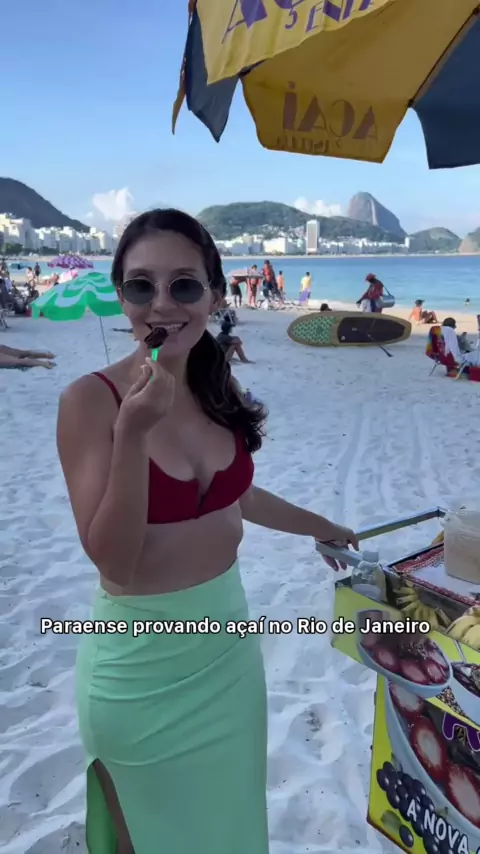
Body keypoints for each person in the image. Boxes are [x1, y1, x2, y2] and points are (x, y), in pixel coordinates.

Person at [56, 208, 358, 854]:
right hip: (138, 669)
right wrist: (133, 435)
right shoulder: (91, 401)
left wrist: (322, 526)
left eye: (185, 285)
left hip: (227, 657)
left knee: (226, 830)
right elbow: (115, 563)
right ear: (121, 295)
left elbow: (234, 496)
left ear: (215, 296)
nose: (162, 304)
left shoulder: (216, 386)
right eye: (141, 285)